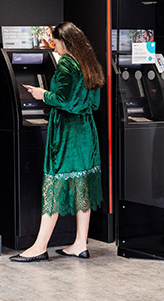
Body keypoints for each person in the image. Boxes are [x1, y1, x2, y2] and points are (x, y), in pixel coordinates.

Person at [11, 21, 105, 262]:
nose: (53, 45)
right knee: (81, 185)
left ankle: (39, 246)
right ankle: (80, 243)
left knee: (53, 186)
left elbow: (62, 99)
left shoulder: (66, 64)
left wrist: (42, 94)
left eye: (55, 40)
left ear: (65, 41)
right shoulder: (89, 62)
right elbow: (93, 104)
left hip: (67, 133)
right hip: (86, 131)